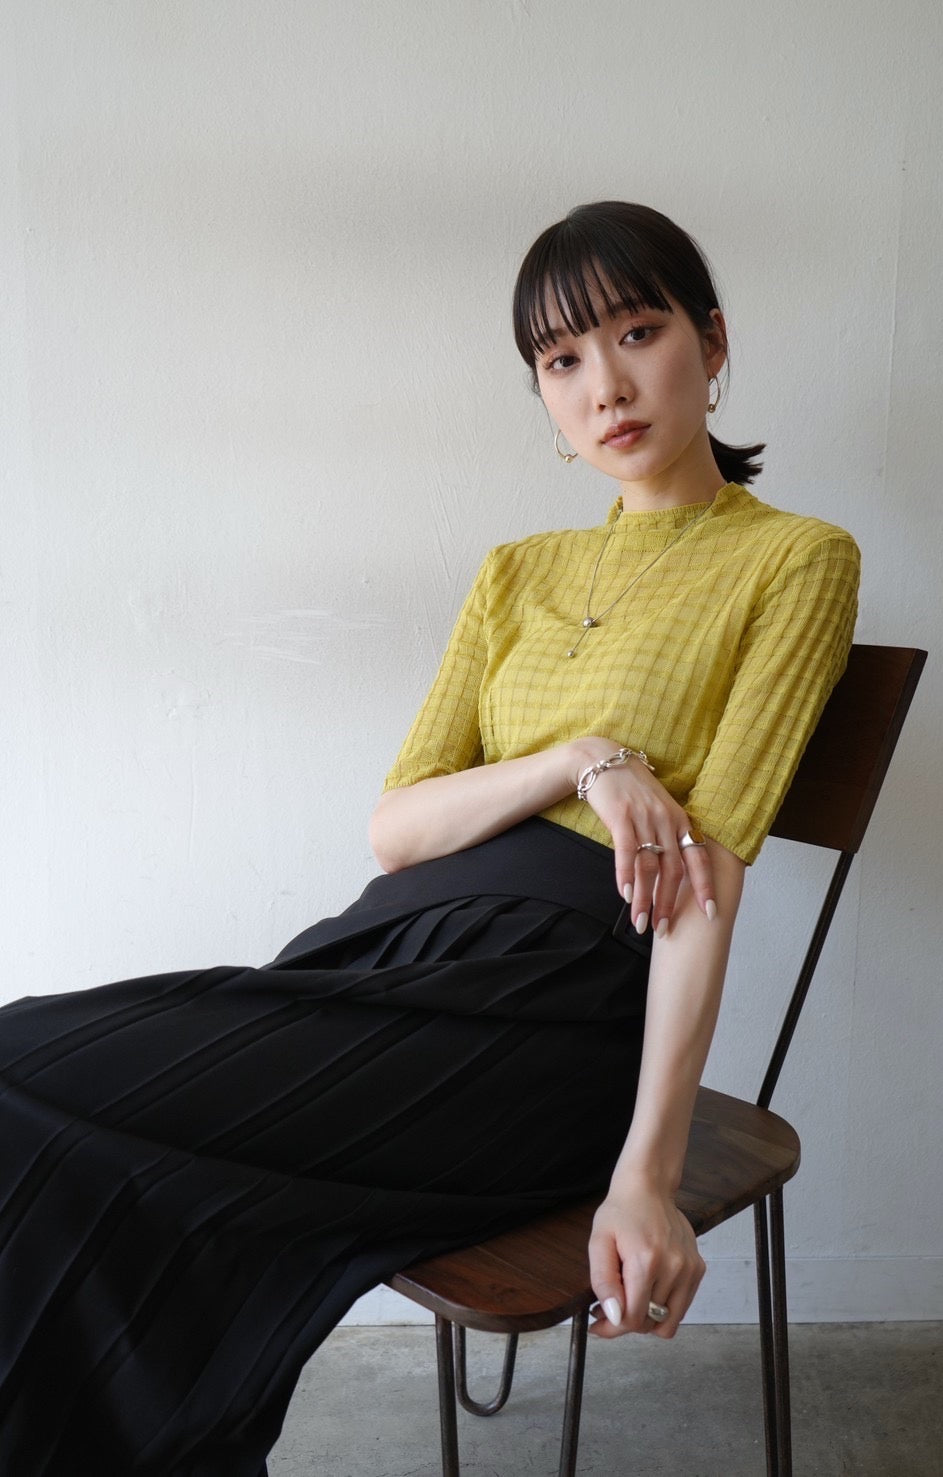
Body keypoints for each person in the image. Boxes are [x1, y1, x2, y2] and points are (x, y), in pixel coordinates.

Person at [0, 201, 860, 1475]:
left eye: (638, 332)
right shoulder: (515, 570)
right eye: (561, 359)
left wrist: (647, 1173)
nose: (605, 386)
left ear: (713, 340)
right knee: (44, 1097)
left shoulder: (794, 561)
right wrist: (580, 758)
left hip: (554, 999)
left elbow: (705, 883)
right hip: (382, 951)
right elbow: (399, 825)